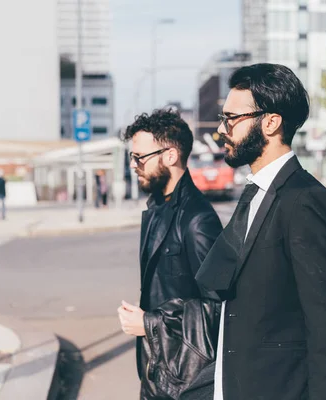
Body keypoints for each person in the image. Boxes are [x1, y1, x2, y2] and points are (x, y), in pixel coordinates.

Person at [195, 63, 326, 400]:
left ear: (270, 121)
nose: (223, 130)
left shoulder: (306, 201)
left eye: (231, 119)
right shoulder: (254, 193)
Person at [117, 109, 223, 400]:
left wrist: (149, 322)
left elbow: (218, 308)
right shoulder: (156, 208)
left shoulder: (198, 219)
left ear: (171, 156)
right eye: (132, 157)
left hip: (185, 378)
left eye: (140, 157)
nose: (134, 165)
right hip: (156, 368)